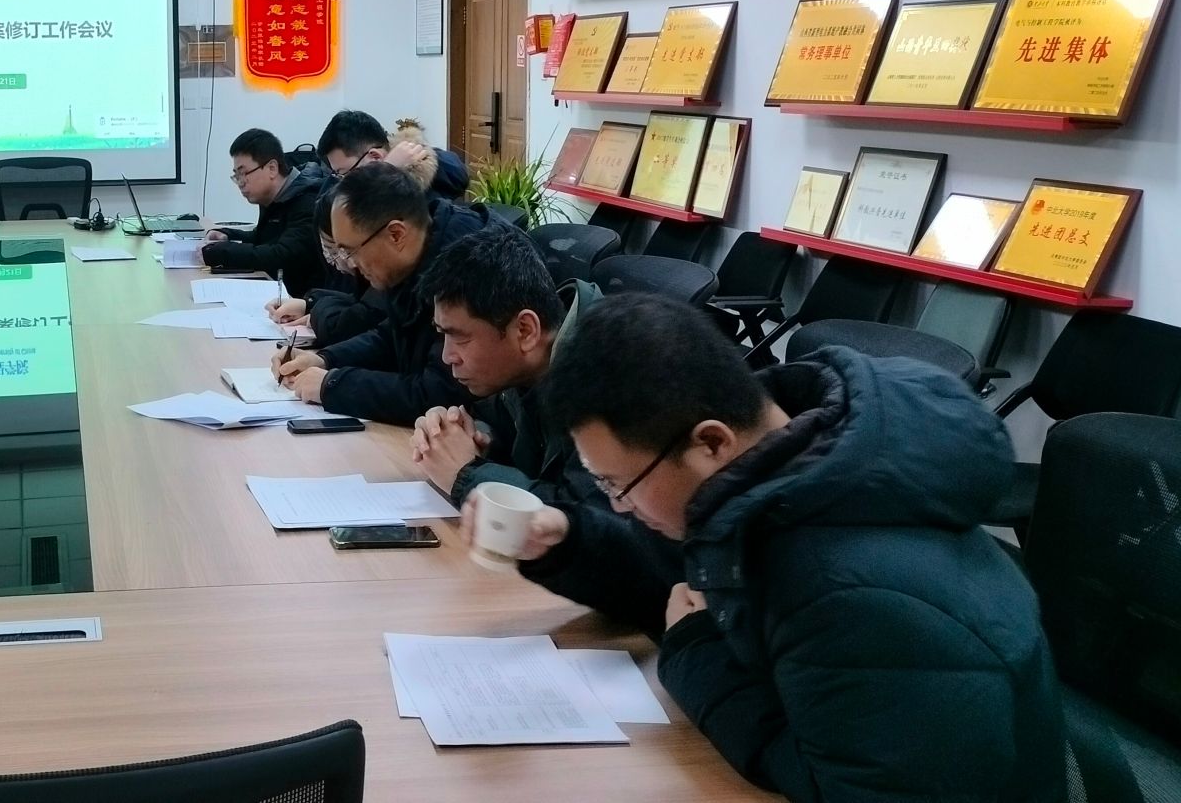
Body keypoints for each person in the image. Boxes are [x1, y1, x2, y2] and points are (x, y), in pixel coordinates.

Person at [516, 295, 1065, 803]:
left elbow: (852, 790)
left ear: (711, 442)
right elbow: (679, 582)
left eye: (618, 484)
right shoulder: (776, 476)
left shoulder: (852, 594)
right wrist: (571, 541)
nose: (619, 506)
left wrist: (697, 656)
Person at [270, 162, 511, 424]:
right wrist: (324, 359)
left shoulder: (467, 266)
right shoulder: (419, 249)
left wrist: (333, 385)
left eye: (350, 250)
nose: (351, 264)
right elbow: (391, 336)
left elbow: (442, 392)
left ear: (396, 234)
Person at [407, 229, 603, 507]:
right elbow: (495, 423)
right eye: (443, 334)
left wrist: (466, 474)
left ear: (525, 330)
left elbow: (588, 517)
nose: (448, 356)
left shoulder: (606, 380)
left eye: (460, 337)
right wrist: (466, 435)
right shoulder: (523, 369)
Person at [200, 128, 329, 295]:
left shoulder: (307, 201)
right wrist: (227, 235)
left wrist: (220, 252)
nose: (240, 183)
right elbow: (265, 239)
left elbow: (281, 257)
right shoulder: (273, 198)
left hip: (301, 301)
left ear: (272, 168)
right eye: (236, 176)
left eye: (244, 173)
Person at [265, 190, 384, 347]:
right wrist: (308, 304)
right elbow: (355, 301)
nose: (349, 262)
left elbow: (347, 324)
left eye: (336, 251)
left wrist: (316, 315)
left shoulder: (388, 280)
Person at [317, 109, 468, 199]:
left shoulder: (418, 187)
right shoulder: (340, 182)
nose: (341, 182)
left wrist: (387, 173)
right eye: (337, 175)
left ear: (375, 157)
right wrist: (389, 169)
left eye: (344, 173)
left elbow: (456, 174)